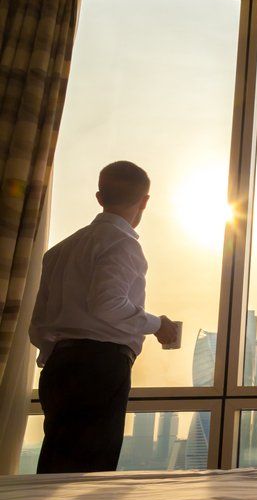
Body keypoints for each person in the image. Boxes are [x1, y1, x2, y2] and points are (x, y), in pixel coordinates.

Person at [29, 161, 179, 473]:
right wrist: (158, 325)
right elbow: (108, 304)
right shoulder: (122, 244)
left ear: (100, 197)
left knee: (56, 467)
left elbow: (39, 323)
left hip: (58, 367)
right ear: (145, 201)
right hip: (99, 367)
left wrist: (54, 355)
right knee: (89, 471)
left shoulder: (59, 251)